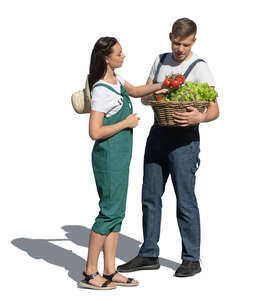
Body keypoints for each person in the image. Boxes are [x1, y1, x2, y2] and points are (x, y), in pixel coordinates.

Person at [117, 18, 219, 277]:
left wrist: (199, 117)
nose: (179, 49)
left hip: (184, 141)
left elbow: (215, 109)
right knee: (149, 197)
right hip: (158, 135)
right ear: (170, 37)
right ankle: (149, 253)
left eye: (185, 44)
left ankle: (191, 258)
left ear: (193, 41)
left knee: (185, 200)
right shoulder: (160, 60)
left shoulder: (200, 68)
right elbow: (146, 96)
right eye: (176, 42)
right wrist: (160, 93)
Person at [79, 37, 166, 290]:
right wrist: (126, 123)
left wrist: (163, 84)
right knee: (108, 213)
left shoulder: (117, 81)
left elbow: (137, 91)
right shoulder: (101, 89)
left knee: (117, 214)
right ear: (107, 58)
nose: (124, 55)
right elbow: (94, 131)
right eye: (119, 53)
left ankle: (109, 270)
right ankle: (89, 272)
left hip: (120, 157)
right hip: (108, 157)